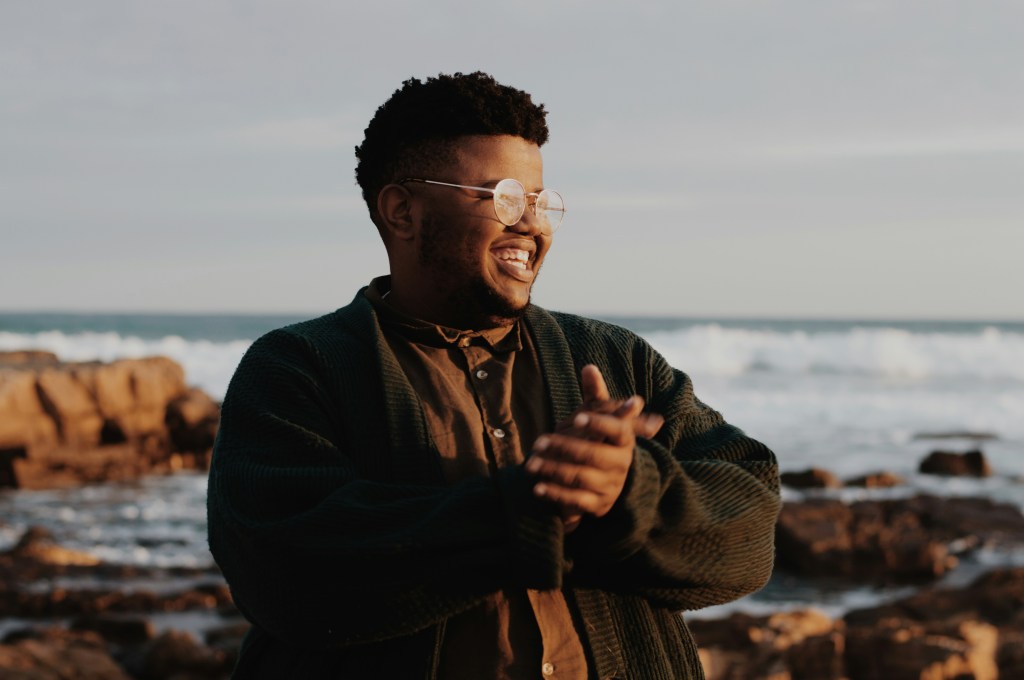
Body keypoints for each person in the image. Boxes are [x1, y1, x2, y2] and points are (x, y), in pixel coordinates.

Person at [207, 71, 780, 680]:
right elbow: (284, 572)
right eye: (505, 197)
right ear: (402, 211)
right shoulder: (299, 367)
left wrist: (627, 495)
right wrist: (529, 510)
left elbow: (750, 529)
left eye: (540, 201)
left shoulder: (616, 359)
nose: (532, 225)